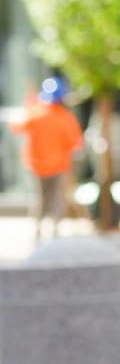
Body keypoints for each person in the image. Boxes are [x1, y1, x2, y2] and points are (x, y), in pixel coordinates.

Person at [9, 76, 83, 241]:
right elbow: (75, 144)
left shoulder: (35, 113)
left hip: (37, 165)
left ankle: (38, 233)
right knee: (57, 199)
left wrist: (29, 105)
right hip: (57, 165)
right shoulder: (66, 118)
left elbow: (16, 127)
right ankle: (54, 233)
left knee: (41, 199)